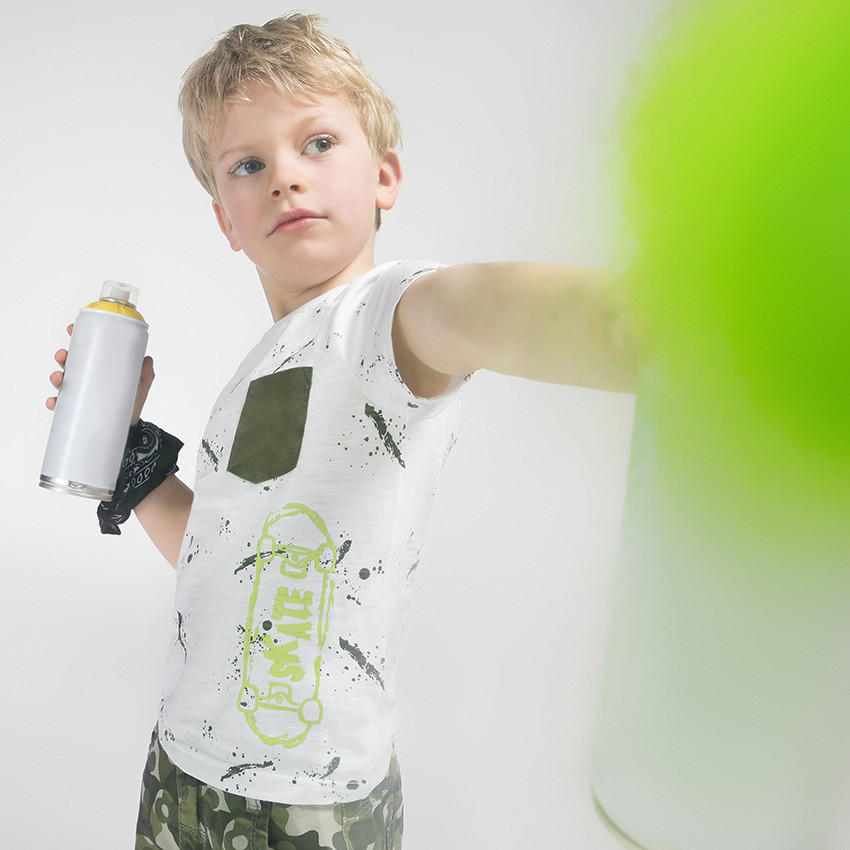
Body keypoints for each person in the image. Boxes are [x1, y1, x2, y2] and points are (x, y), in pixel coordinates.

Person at [47, 13, 636, 850]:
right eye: (249, 165)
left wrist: (656, 323)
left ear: (385, 177)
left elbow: (491, 309)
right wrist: (130, 449)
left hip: (309, 809)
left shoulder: (388, 317)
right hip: (181, 770)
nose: (286, 177)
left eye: (317, 143)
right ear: (226, 220)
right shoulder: (264, 366)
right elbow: (229, 557)